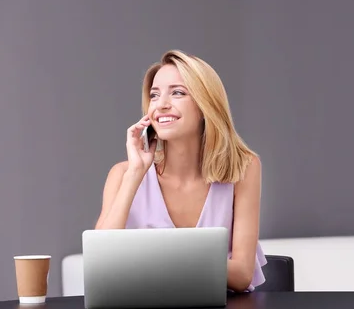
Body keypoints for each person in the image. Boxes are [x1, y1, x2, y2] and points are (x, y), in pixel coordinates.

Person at [95, 49, 267, 292]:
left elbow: (241, 274)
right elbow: (98, 260)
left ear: (205, 105)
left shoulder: (244, 168)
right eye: (154, 96)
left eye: (177, 93)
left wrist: (156, 259)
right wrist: (135, 173)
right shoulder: (123, 174)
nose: (161, 105)